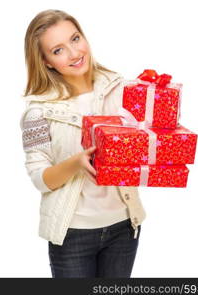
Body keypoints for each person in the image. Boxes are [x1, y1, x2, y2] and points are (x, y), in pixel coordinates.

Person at [20, 9, 146, 278]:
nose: (74, 53)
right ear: (45, 62)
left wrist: (155, 100)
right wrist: (76, 163)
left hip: (124, 227)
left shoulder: (121, 90)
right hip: (72, 234)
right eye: (58, 50)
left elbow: (149, 137)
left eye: (75, 39)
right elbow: (39, 178)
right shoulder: (37, 112)